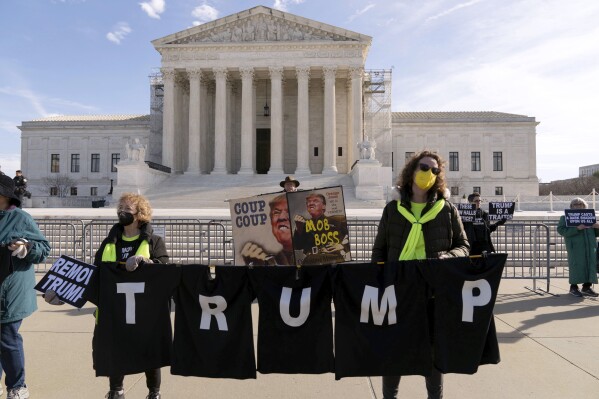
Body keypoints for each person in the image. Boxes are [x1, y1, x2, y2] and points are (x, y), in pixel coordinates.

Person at [371, 150, 469, 399]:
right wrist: (379, 281)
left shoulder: (447, 209)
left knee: (433, 350)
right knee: (394, 348)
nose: (430, 174)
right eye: (425, 168)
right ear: (412, 170)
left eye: (435, 170)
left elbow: (464, 245)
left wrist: (449, 257)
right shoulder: (393, 209)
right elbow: (379, 249)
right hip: (399, 287)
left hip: (433, 289)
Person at [49, 193, 168, 399]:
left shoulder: (154, 241)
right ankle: (116, 391)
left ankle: (153, 392)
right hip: (113, 309)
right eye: (120, 209)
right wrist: (65, 294)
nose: (122, 212)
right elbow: (94, 275)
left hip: (143, 310)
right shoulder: (109, 242)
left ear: (140, 214)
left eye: (127, 210)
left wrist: (148, 264)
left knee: (149, 352)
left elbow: (165, 271)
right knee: (114, 351)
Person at [0, 174, 51, 399]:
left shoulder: (21, 218)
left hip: (10, 292)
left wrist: (27, 247)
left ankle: (17, 386)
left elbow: (43, 249)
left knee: (8, 339)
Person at [557, 197, 599, 298]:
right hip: (575, 247)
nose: (578, 206)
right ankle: (573, 287)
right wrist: (577, 228)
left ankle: (587, 287)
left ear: (584, 206)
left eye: (580, 204)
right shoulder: (565, 217)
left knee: (590, 265)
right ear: (571, 206)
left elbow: (596, 234)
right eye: (575, 205)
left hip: (590, 246)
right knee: (576, 266)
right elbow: (561, 230)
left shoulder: (590, 217)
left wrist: (597, 227)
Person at [293, 193, 350, 265]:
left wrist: (342, 246)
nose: (311, 203)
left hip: (333, 260)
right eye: (308, 202)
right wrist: (299, 228)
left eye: (315, 201)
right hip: (311, 262)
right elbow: (298, 246)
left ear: (324, 206)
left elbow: (349, 238)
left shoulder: (337, 221)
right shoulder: (303, 224)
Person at [241, 194, 294, 265]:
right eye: (276, 212)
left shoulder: (310, 251)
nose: (281, 217)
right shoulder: (266, 255)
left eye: (288, 212)